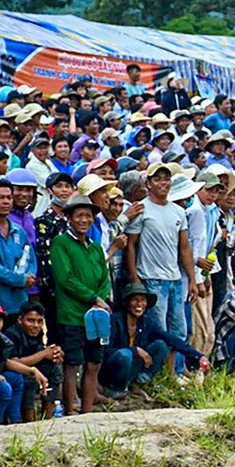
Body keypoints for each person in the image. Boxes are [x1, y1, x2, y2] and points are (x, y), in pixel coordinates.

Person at [124, 164, 198, 374]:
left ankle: (175, 373)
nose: (163, 183)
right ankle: (157, 374)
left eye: (166, 178)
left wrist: (191, 279)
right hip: (151, 278)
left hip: (174, 278)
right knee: (159, 331)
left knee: (179, 330)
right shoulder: (142, 209)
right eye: (157, 179)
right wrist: (134, 276)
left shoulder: (178, 211)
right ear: (148, 183)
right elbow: (131, 244)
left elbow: (184, 247)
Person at [51, 193, 111, 411]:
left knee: (94, 362)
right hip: (72, 314)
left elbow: (105, 277)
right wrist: (92, 298)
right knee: (72, 363)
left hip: (96, 315)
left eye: (88, 216)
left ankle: (87, 410)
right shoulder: (61, 243)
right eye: (79, 216)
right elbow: (65, 278)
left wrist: (100, 300)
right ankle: (69, 409)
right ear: (70, 218)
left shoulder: (95, 247)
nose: (84, 220)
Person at [103, 283, 207, 396]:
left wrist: (198, 356)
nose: (139, 304)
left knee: (161, 345)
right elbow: (106, 351)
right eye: (135, 300)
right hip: (113, 369)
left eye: (143, 300)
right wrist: (134, 350)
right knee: (125, 355)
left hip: (133, 367)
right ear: (127, 303)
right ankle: (116, 388)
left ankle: (138, 382)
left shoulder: (146, 322)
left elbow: (171, 339)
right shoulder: (114, 320)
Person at [0, 301, 45, 425]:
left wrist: (32, 370)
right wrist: (1, 378)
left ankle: (14, 423)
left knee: (15, 378)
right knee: (3, 388)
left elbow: (5, 362)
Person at [0, 180, 36, 314]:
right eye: (0, 197)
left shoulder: (18, 230)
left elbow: (30, 258)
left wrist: (30, 276)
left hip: (19, 301)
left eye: (9, 197)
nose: (6, 201)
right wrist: (20, 279)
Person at [5, 301, 63, 421]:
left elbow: (45, 352)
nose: (36, 325)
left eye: (39, 321)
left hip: (36, 368)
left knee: (54, 370)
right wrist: (43, 354)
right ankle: (29, 421)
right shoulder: (11, 334)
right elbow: (12, 362)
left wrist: (55, 354)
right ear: (20, 320)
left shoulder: (41, 332)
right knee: (29, 379)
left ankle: (49, 417)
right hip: (14, 372)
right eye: (30, 320)